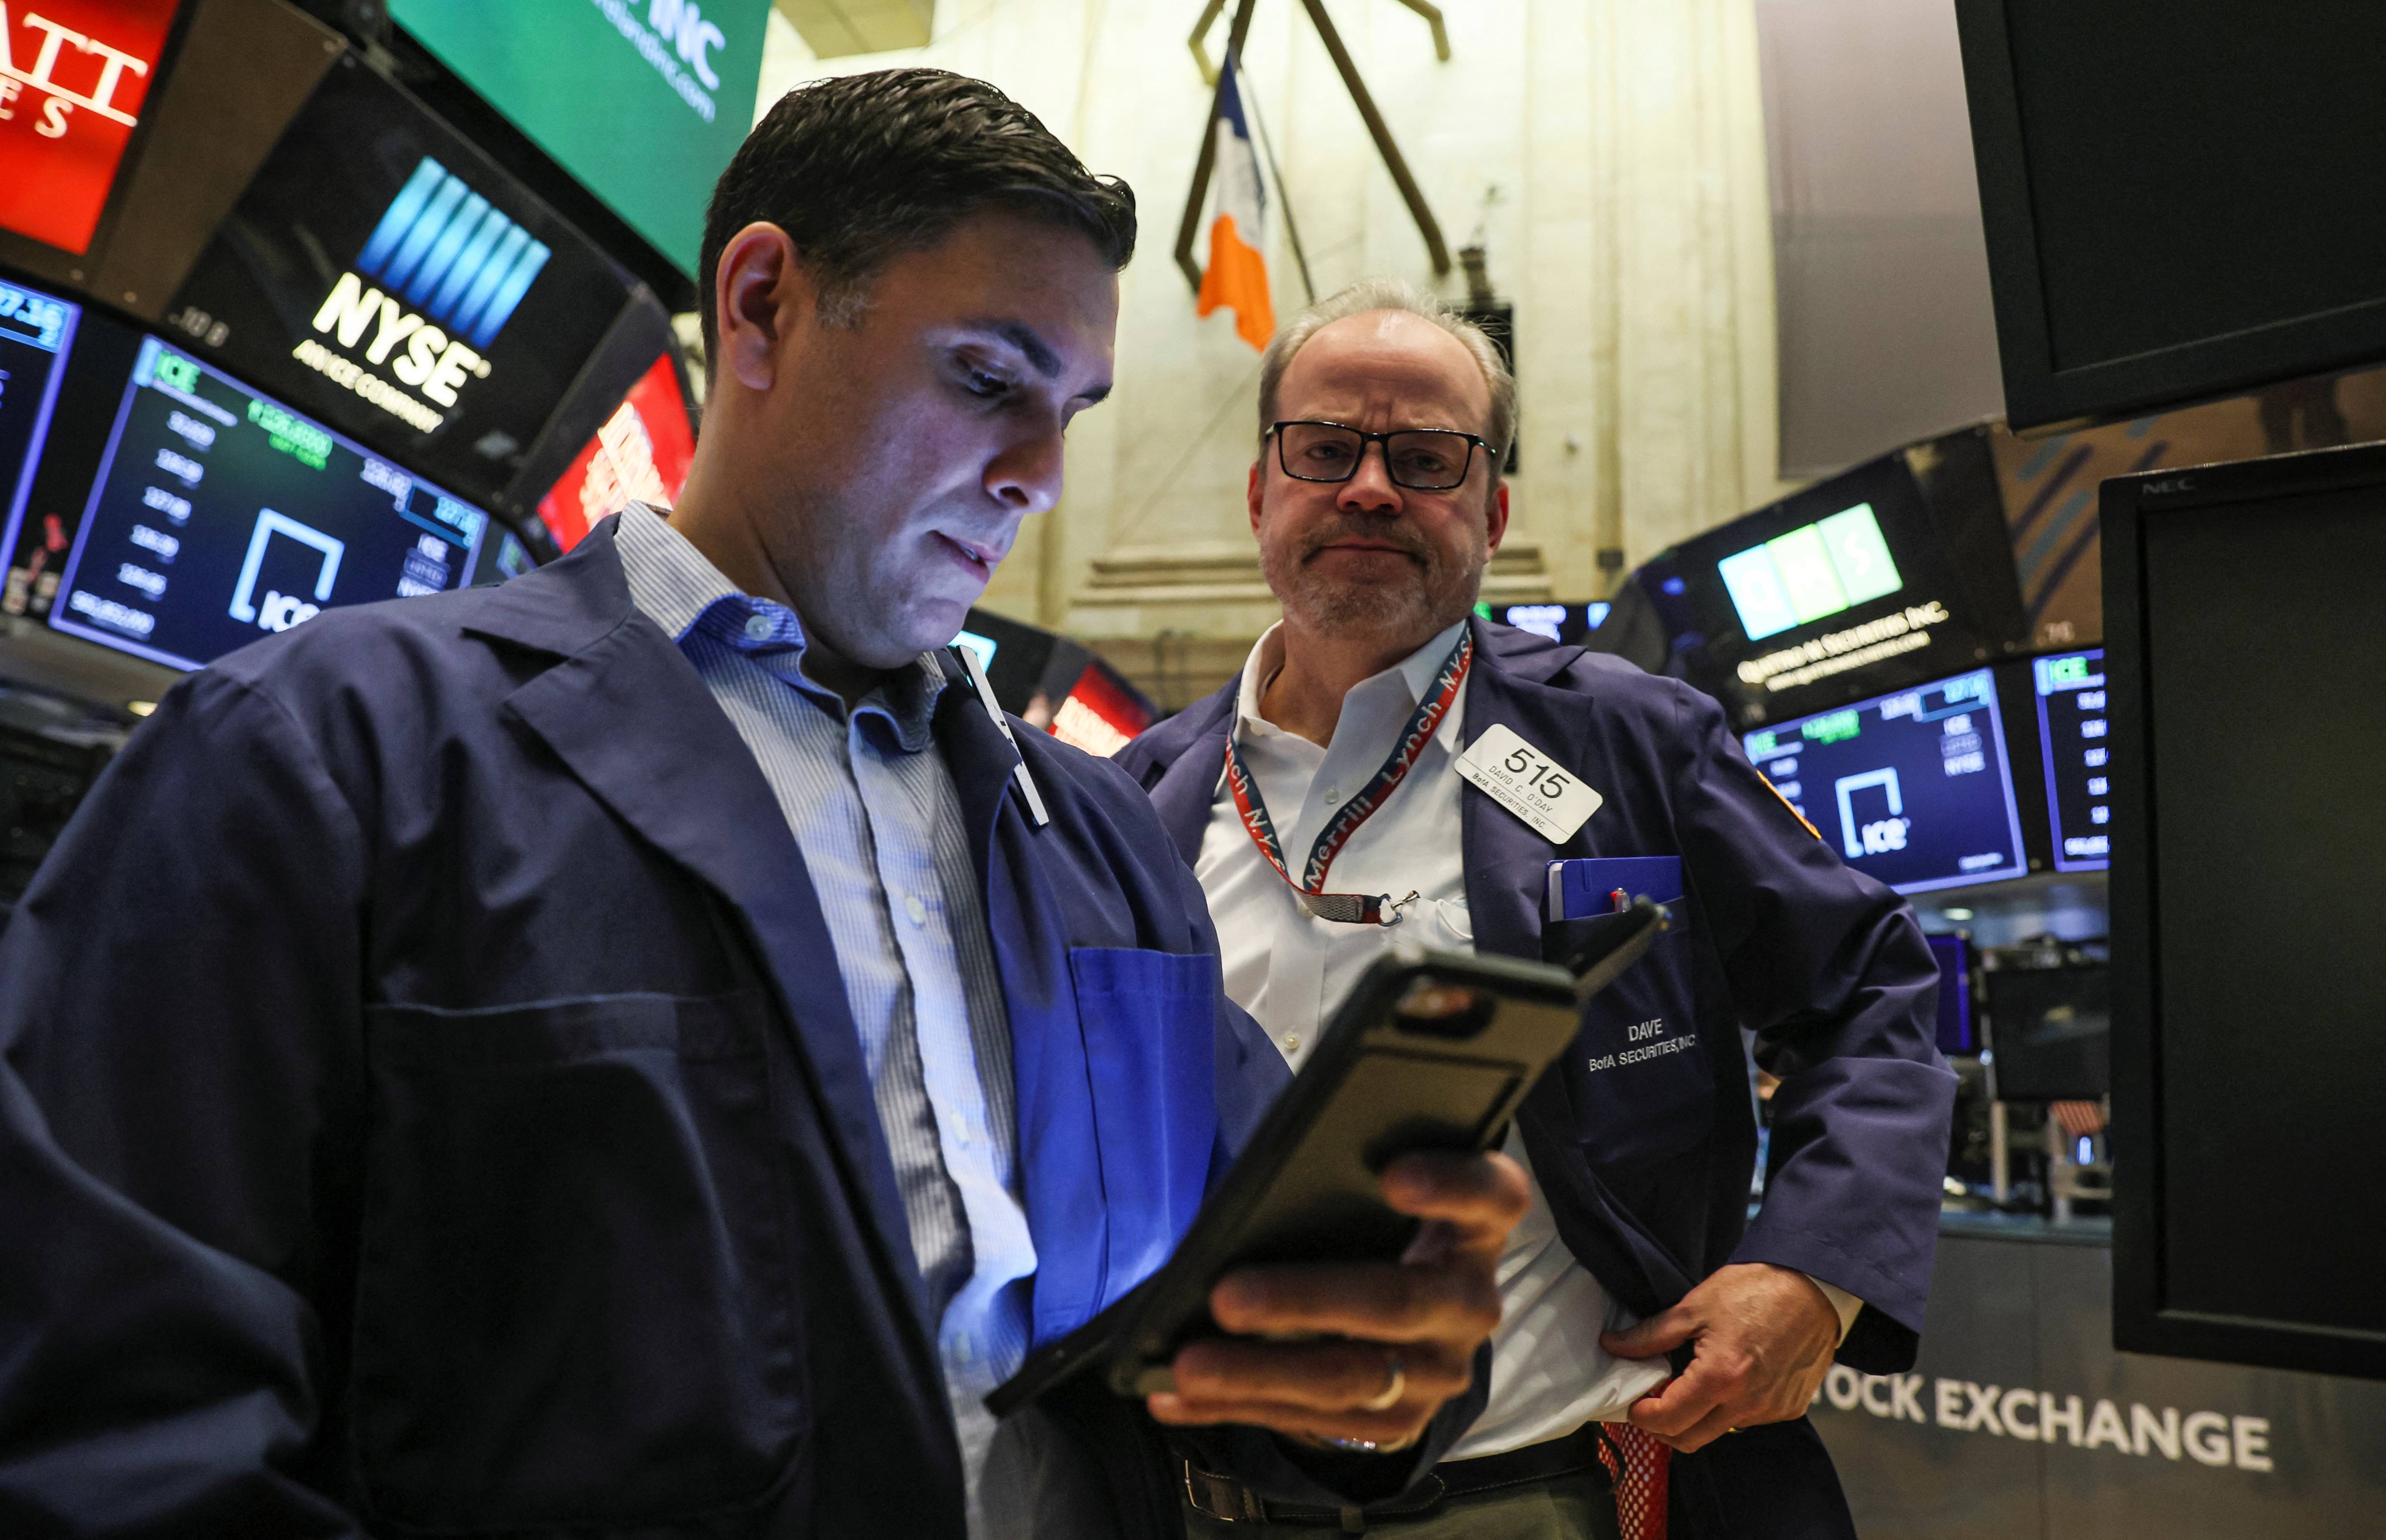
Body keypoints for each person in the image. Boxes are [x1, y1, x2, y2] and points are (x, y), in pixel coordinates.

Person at [0, 77, 1529, 1538]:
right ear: (759, 307)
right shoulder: (329, 752)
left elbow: (1233, 1335)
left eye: (1071, 406)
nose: (1040, 477)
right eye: (988, 380)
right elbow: (113, 1427)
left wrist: (1362, 1375)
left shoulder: (1100, 840)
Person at [1115, 281, 1958, 1539]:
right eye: (1326, 448)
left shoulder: (1630, 739)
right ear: (1259, 491)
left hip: (1547, 1495)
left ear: (1493, 510)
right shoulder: (1133, 802)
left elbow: (1871, 992)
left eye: (1424, 457)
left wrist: (1813, 1273)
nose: (1368, 487)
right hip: (1199, 1504)